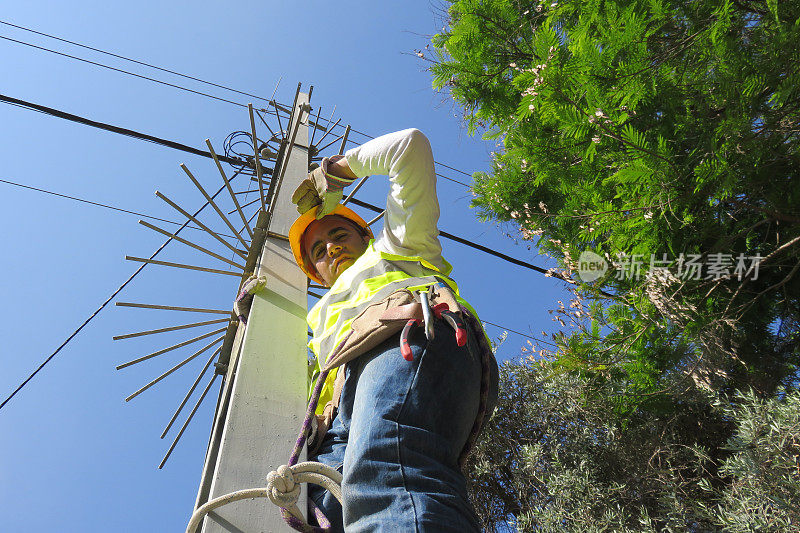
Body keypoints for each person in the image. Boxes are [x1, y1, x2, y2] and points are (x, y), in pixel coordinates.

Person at [287, 128, 498, 532]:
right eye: (319, 251)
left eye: (338, 235)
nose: (331, 248)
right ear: (315, 274)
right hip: (345, 400)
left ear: (366, 235)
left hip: (410, 338)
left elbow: (410, 146)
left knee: (389, 475)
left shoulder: (396, 246)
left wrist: (335, 172)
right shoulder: (319, 321)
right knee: (328, 507)